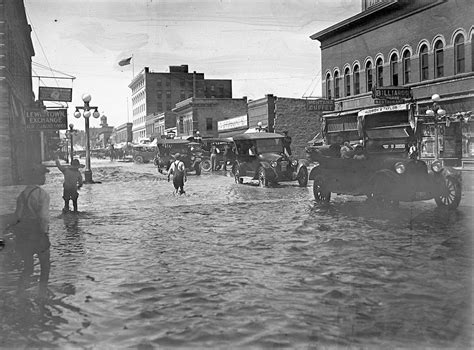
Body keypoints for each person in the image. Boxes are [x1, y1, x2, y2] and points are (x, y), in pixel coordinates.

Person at [3, 164, 51, 293]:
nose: (44, 177)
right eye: (43, 175)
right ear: (37, 177)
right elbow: (43, 217)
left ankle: (20, 293)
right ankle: (43, 292)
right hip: (38, 233)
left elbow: (17, 216)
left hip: (24, 234)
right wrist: (44, 233)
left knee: (28, 267)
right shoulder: (42, 194)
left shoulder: (22, 194)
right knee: (45, 266)